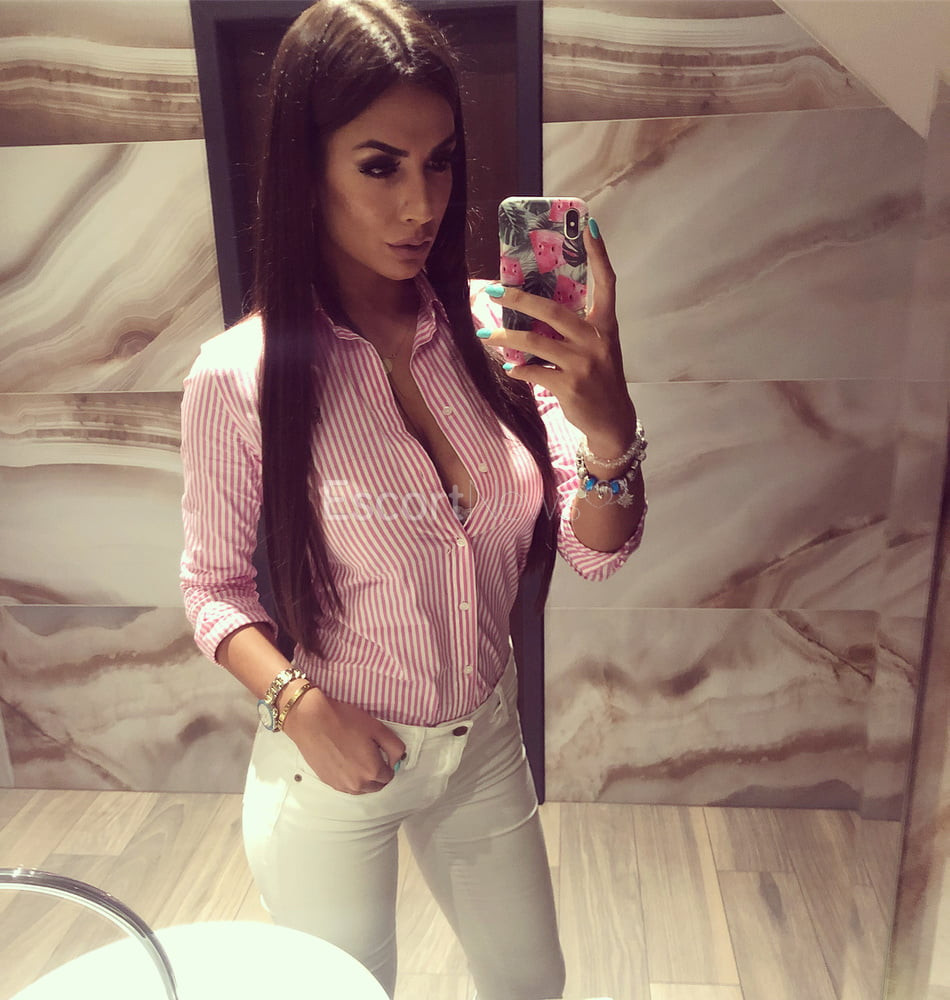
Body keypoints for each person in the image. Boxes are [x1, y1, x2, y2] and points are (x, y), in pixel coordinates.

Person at [179, 1, 646, 997]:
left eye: (439, 163)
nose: (420, 205)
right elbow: (211, 588)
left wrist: (609, 431)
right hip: (330, 758)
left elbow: (595, 549)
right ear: (308, 169)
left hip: (482, 742)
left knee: (530, 984)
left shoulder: (499, 333)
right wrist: (299, 705)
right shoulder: (239, 375)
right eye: (379, 165)